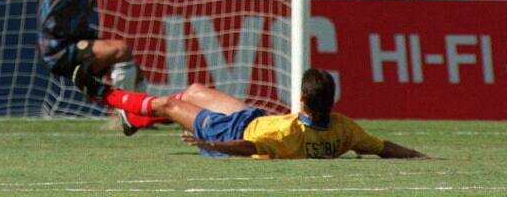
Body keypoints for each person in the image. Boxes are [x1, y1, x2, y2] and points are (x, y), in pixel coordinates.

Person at [73, 66, 426, 159]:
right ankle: (133, 119)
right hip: (253, 117)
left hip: (229, 132)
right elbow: (382, 147)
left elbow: (249, 146)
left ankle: (104, 93)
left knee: (170, 104)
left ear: (302, 100)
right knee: (195, 90)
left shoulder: (286, 135)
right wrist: (418, 155)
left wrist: (207, 142)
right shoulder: (344, 129)